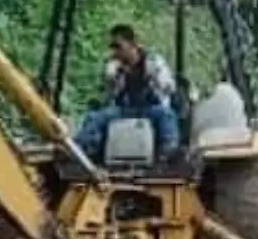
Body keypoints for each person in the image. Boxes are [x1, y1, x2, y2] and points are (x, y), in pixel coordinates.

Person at [73, 24, 180, 159]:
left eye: (118, 46)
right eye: (112, 47)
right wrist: (113, 78)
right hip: (125, 109)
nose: (115, 51)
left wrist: (154, 77)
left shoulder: (153, 61)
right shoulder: (114, 66)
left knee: (167, 115)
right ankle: (82, 150)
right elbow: (109, 96)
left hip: (151, 108)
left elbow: (170, 87)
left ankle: (169, 152)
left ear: (132, 44)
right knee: (95, 117)